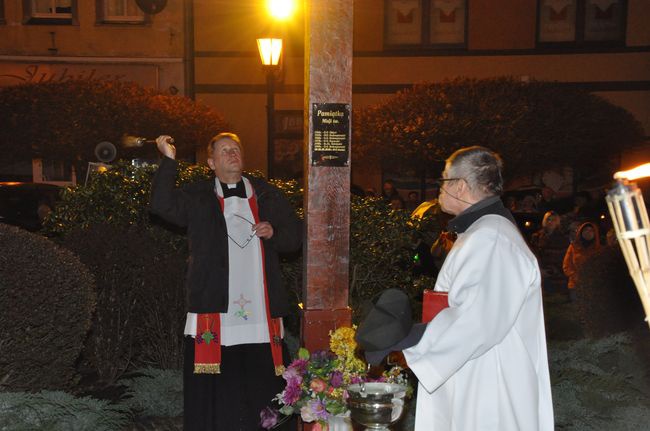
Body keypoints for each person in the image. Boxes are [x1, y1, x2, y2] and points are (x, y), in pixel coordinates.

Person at [357, 146, 554, 431]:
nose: (439, 189)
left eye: (443, 180)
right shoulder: (481, 233)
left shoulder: (492, 238)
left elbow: (477, 320)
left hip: (489, 384)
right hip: (476, 372)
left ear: (460, 186)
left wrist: (411, 349)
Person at [150, 133, 301, 431]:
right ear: (210, 163)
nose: (232, 154)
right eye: (223, 151)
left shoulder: (268, 195)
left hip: (260, 311)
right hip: (215, 309)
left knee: (263, 383)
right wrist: (168, 160)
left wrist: (275, 233)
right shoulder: (196, 196)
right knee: (219, 389)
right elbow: (161, 205)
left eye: (236, 149)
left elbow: (294, 237)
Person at [531, 210, 569, 293]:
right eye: (548, 219)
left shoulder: (563, 238)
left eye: (553, 220)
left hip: (558, 278)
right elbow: (533, 256)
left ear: (557, 222)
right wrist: (539, 270)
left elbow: (566, 258)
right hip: (541, 277)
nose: (551, 222)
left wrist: (552, 270)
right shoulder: (537, 237)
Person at [563, 221, 601, 302]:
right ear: (581, 232)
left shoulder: (599, 250)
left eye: (591, 230)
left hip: (593, 286)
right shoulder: (573, 247)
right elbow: (566, 266)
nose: (588, 232)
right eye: (586, 230)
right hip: (575, 285)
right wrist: (576, 276)